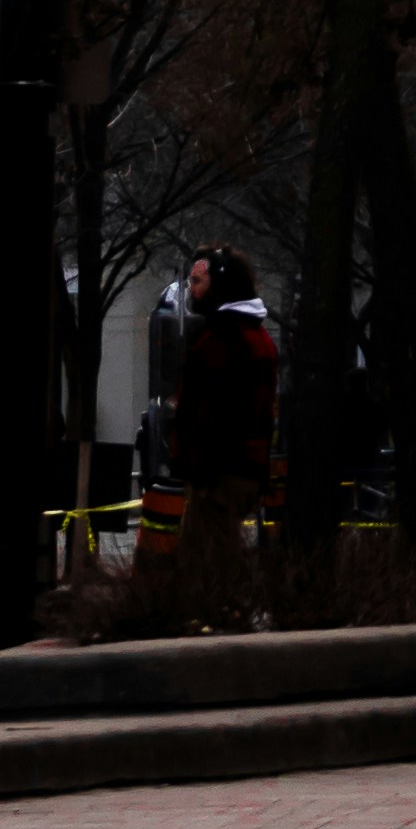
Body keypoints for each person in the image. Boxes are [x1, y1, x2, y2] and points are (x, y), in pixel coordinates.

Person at [166, 254, 280, 614]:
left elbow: (209, 410)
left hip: (218, 471)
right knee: (219, 550)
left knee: (206, 559)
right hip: (243, 466)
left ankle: (219, 618)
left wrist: (194, 464)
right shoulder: (258, 336)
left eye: (198, 281)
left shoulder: (221, 339)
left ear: (221, 285)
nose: (191, 289)